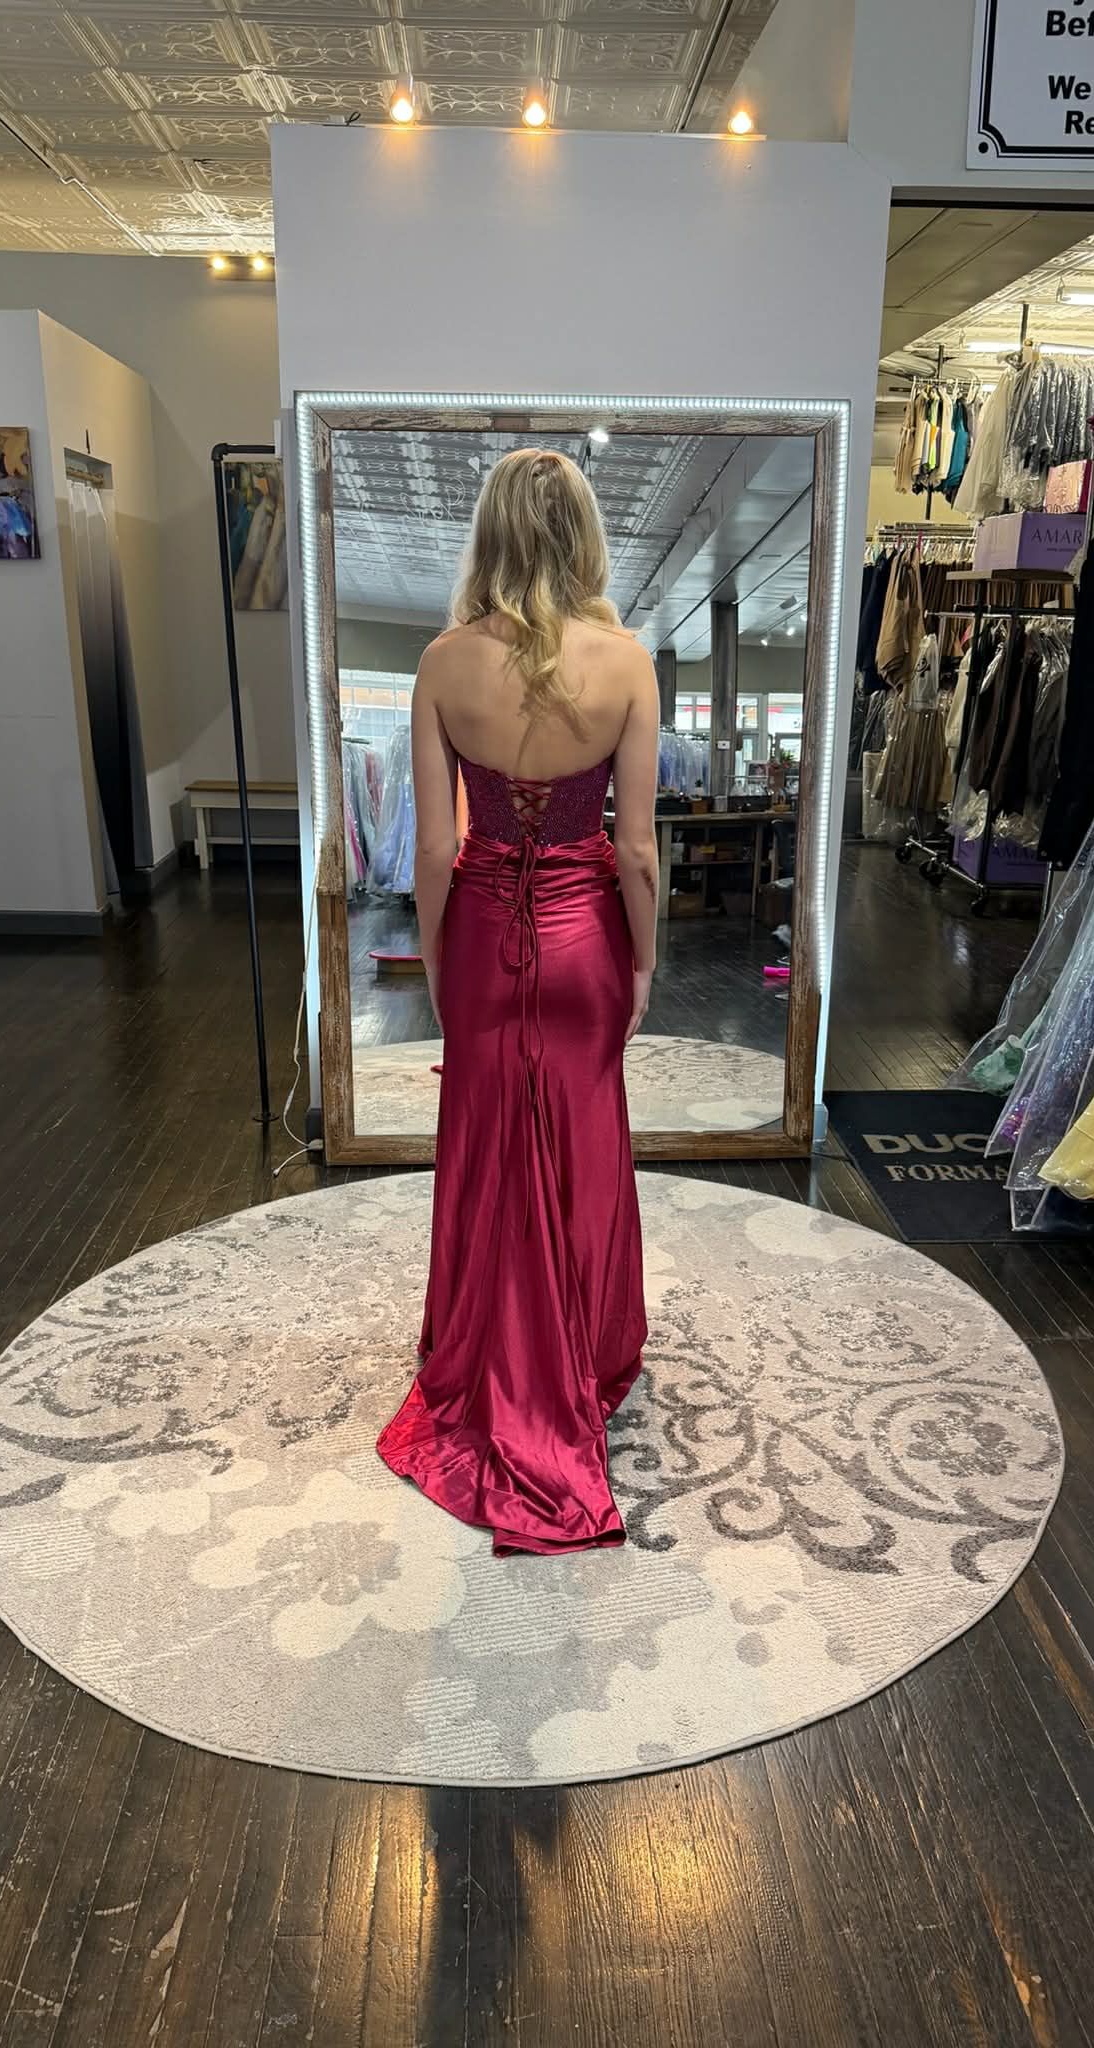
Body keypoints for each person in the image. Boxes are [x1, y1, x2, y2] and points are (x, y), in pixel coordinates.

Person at [375, 447, 660, 1555]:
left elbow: (434, 849)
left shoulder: (443, 664)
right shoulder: (626, 664)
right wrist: (643, 963)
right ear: (584, 537)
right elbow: (636, 850)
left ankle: (484, 1352)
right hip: (588, 937)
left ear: (489, 535)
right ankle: (587, 1353)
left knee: (486, 1143)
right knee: (585, 1140)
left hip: (488, 932)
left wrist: (439, 959)